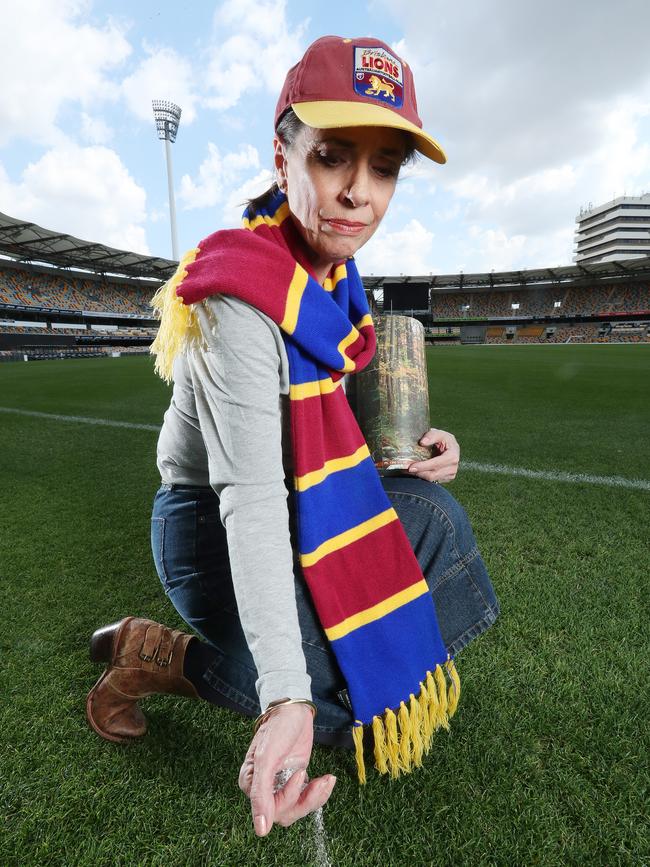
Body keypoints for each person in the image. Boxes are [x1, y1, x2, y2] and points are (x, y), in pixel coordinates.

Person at [86, 35, 499, 837]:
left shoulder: (336, 280)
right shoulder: (237, 296)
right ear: (283, 158)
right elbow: (251, 496)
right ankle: (154, 653)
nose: (358, 193)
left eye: (383, 168)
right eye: (333, 157)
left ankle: (314, 671)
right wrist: (283, 694)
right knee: (318, 693)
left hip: (299, 499)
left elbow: (331, 433)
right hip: (210, 523)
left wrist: (417, 451)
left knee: (438, 519)